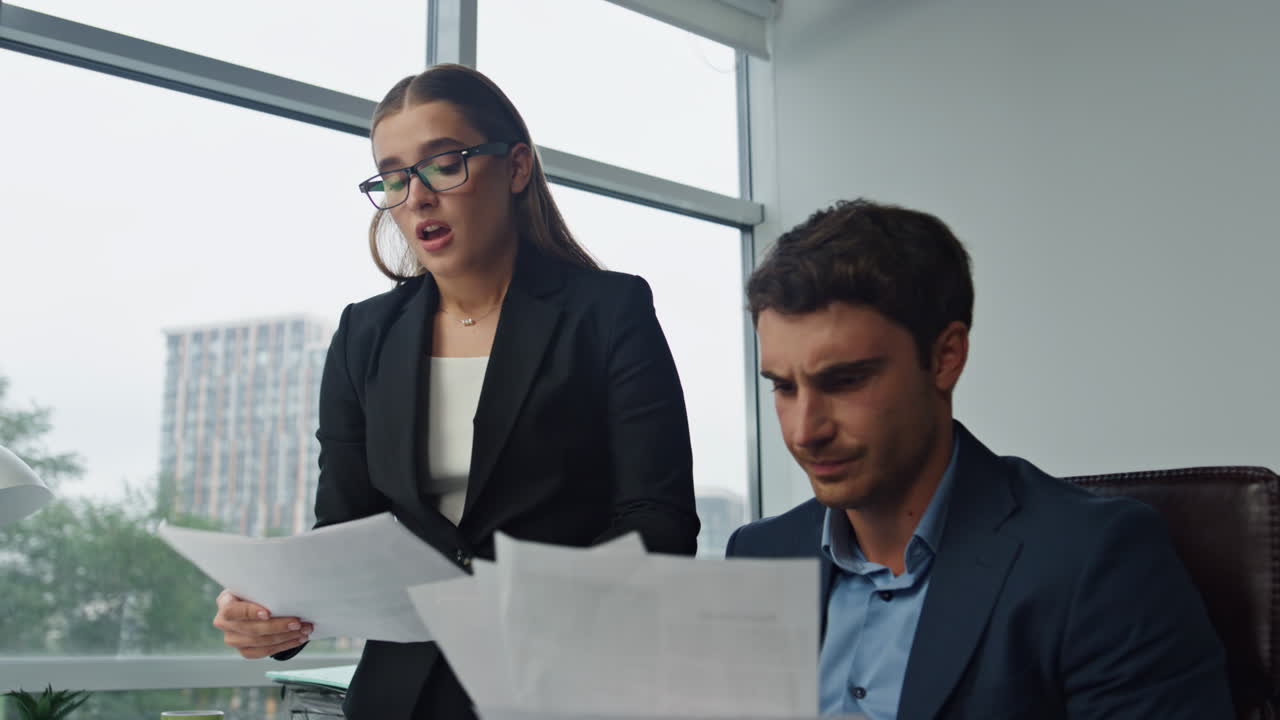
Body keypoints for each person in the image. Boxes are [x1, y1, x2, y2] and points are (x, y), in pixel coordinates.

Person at [211, 64, 700, 719]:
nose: (416, 196)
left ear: (516, 167)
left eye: (444, 164)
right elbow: (344, 532)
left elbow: (658, 521)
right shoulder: (365, 333)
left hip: (562, 687)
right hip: (399, 698)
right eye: (393, 175)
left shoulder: (608, 311)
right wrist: (270, 610)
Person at [727, 199, 1232, 719]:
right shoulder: (759, 554)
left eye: (846, 380)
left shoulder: (1097, 559)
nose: (805, 430)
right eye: (784, 387)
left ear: (946, 357)